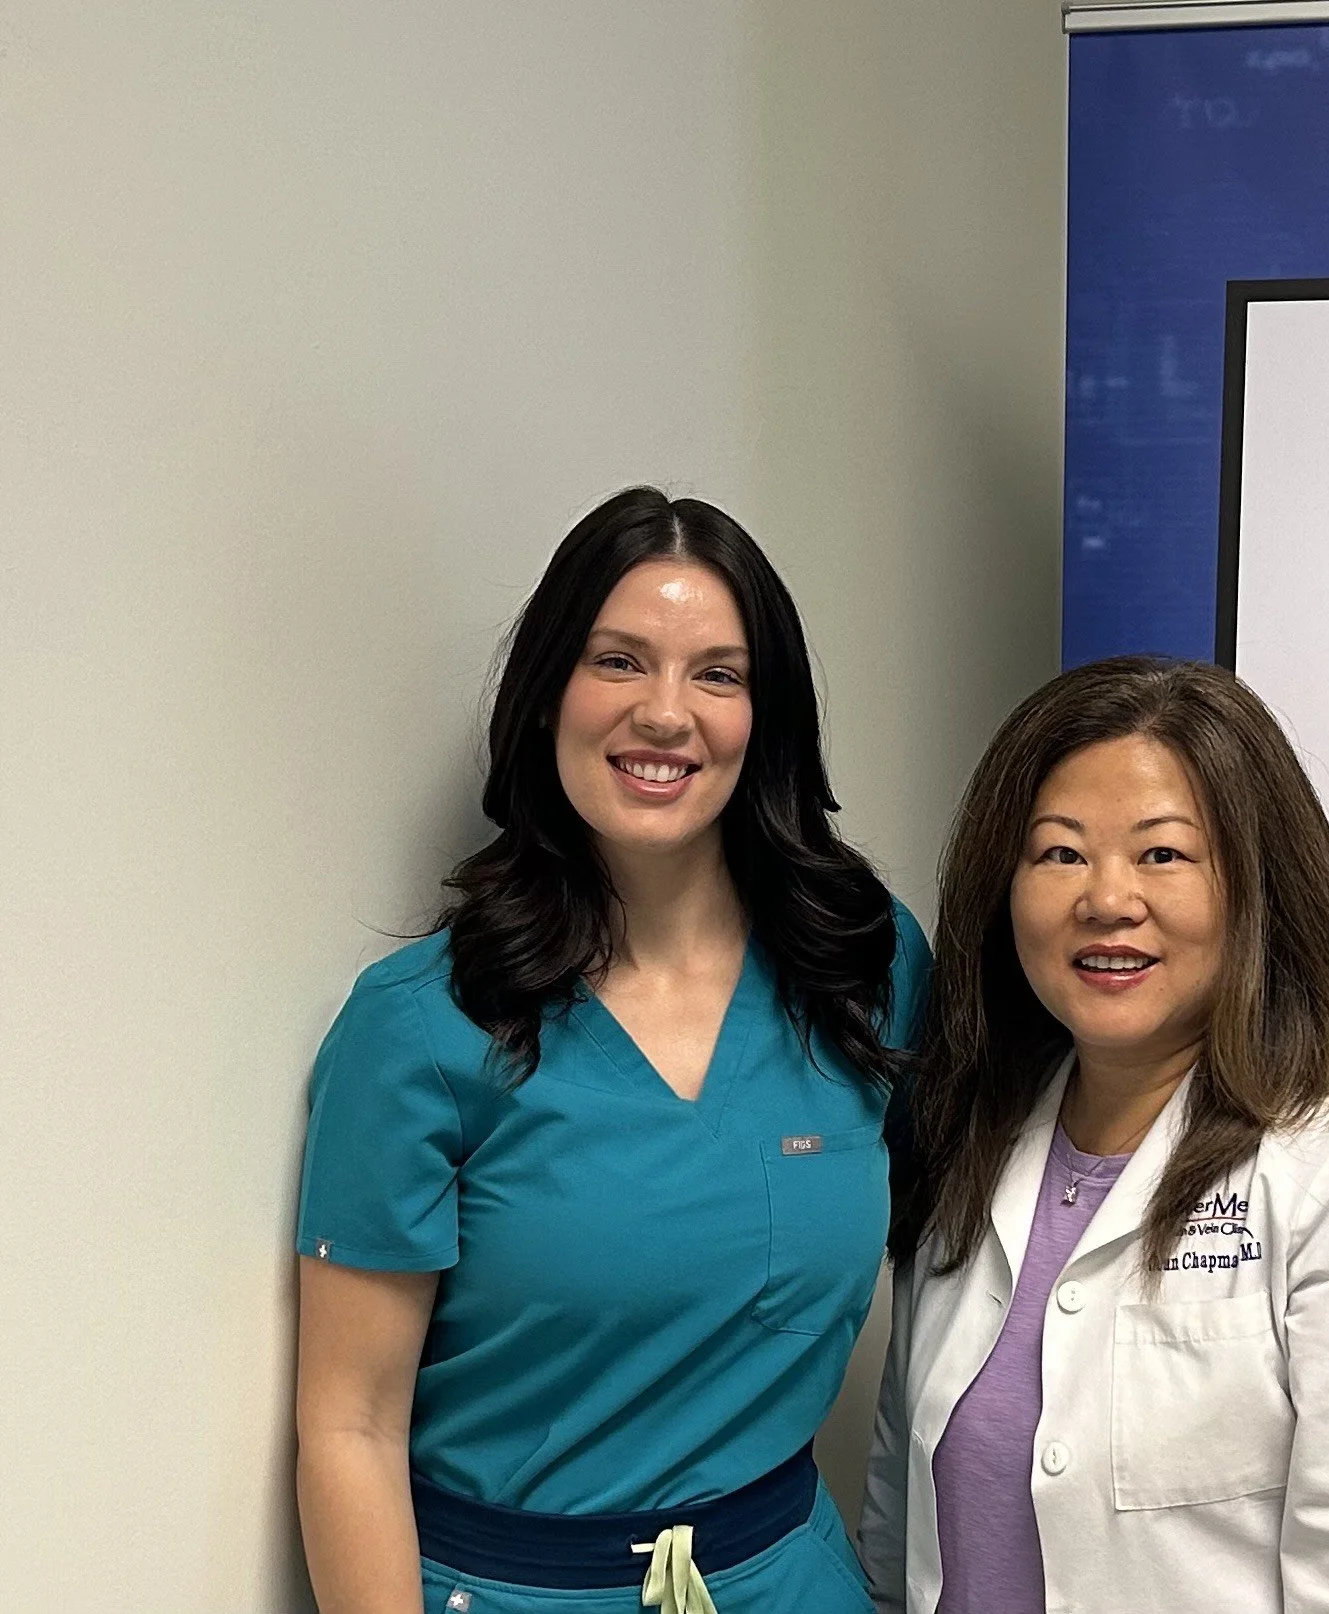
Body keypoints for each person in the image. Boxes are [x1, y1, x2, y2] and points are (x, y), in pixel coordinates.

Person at [293, 488, 926, 1614]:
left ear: (765, 717)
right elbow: (349, 1425)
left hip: (788, 1578)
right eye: (618, 661)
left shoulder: (863, 965)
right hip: (507, 1588)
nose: (666, 714)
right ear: (548, 695)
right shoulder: (420, 1028)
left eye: (718, 674)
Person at [863, 655, 1329, 1614]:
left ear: (1256, 888)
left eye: (1162, 853)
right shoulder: (971, 1147)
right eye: (1059, 852)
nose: (1108, 898)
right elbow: (895, 1527)